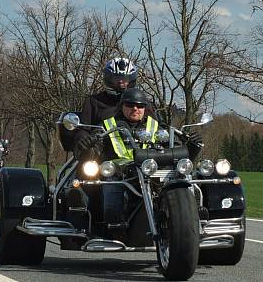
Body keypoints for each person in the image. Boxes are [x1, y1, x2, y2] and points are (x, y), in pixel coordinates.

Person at [85, 88, 202, 223]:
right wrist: (87, 146)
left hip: (153, 174)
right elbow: (93, 151)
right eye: (130, 105)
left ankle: (194, 217)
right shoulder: (107, 126)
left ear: (145, 108)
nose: (135, 109)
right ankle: (113, 227)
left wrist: (193, 146)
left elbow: (177, 154)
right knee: (112, 187)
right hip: (121, 175)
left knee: (183, 180)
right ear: (121, 106)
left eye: (140, 105)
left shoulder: (157, 126)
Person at [74, 57, 138, 158]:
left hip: (139, 158)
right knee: (84, 171)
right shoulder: (93, 101)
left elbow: (156, 127)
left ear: (131, 81)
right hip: (100, 156)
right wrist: (84, 140)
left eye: (125, 79)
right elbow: (83, 129)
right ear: (108, 79)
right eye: (117, 78)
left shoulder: (142, 103)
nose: (121, 83)